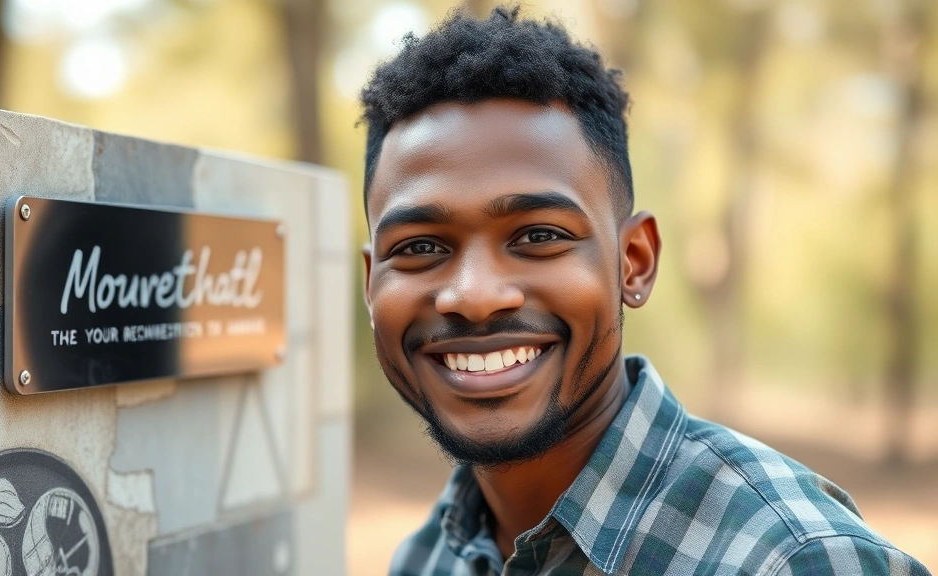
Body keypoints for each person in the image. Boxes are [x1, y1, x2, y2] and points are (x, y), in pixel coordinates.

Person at [357, 5, 930, 576]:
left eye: (538, 235)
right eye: (420, 247)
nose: (475, 296)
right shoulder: (429, 556)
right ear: (369, 284)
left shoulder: (793, 559)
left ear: (634, 262)